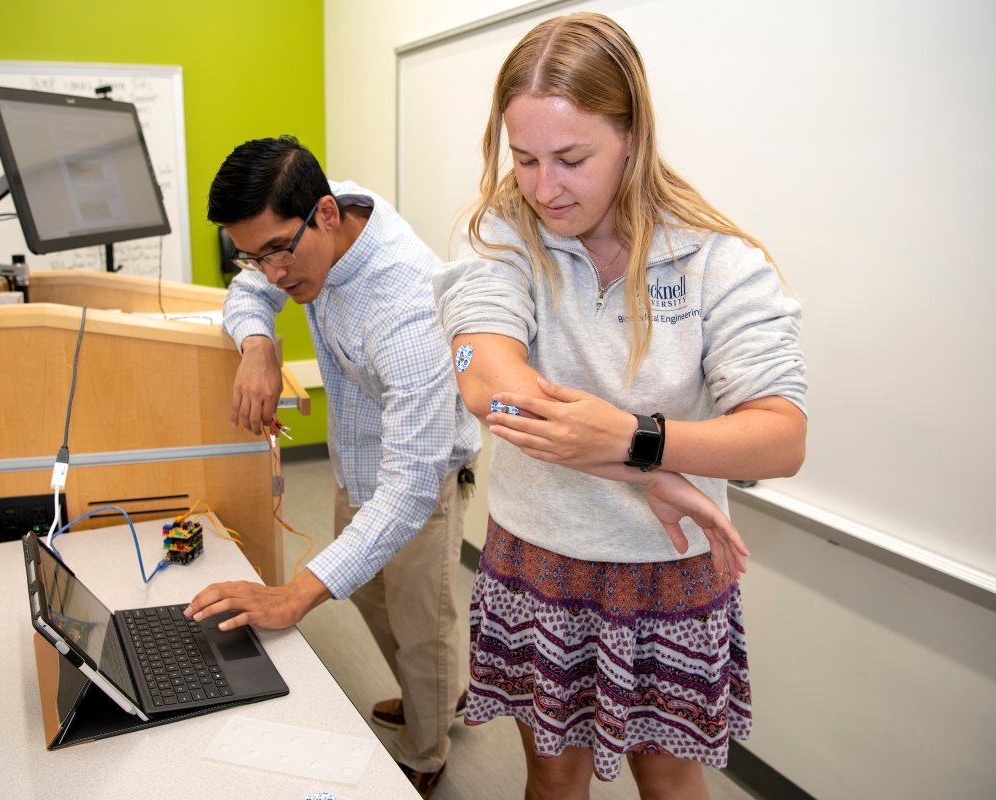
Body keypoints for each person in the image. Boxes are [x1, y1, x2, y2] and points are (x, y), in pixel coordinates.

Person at [434, 12, 808, 800]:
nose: (543, 186)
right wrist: (645, 467)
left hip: (667, 572)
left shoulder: (717, 262)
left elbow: (780, 437)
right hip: (540, 555)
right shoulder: (500, 234)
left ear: (632, 134)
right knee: (550, 771)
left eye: (571, 158)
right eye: (525, 157)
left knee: (669, 776)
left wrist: (639, 442)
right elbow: (485, 375)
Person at [185, 136, 481, 797]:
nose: (269, 275)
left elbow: (408, 489)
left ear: (322, 216)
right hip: (359, 459)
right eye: (250, 256)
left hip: (420, 480)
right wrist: (259, 344)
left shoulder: (404, 305)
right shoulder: (315, 218)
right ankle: (429, 691)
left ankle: (427, 751)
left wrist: (295, 595)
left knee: (420, 623)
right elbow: (248, 294)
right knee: (373, 601)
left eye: (275, 254)